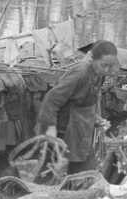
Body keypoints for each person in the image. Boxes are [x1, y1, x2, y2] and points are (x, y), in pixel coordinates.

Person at [36, 40, 118, 174]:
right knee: (52, 176)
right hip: (62, 132)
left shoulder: (99, 75)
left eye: (111, 66)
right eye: (104, 65)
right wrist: (50, 135)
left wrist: (97, 120)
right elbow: (50, 101)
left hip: (80, 134)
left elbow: (82, 104)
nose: (108, 70)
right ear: (93, 59)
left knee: (88, 173)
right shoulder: (80, 74)